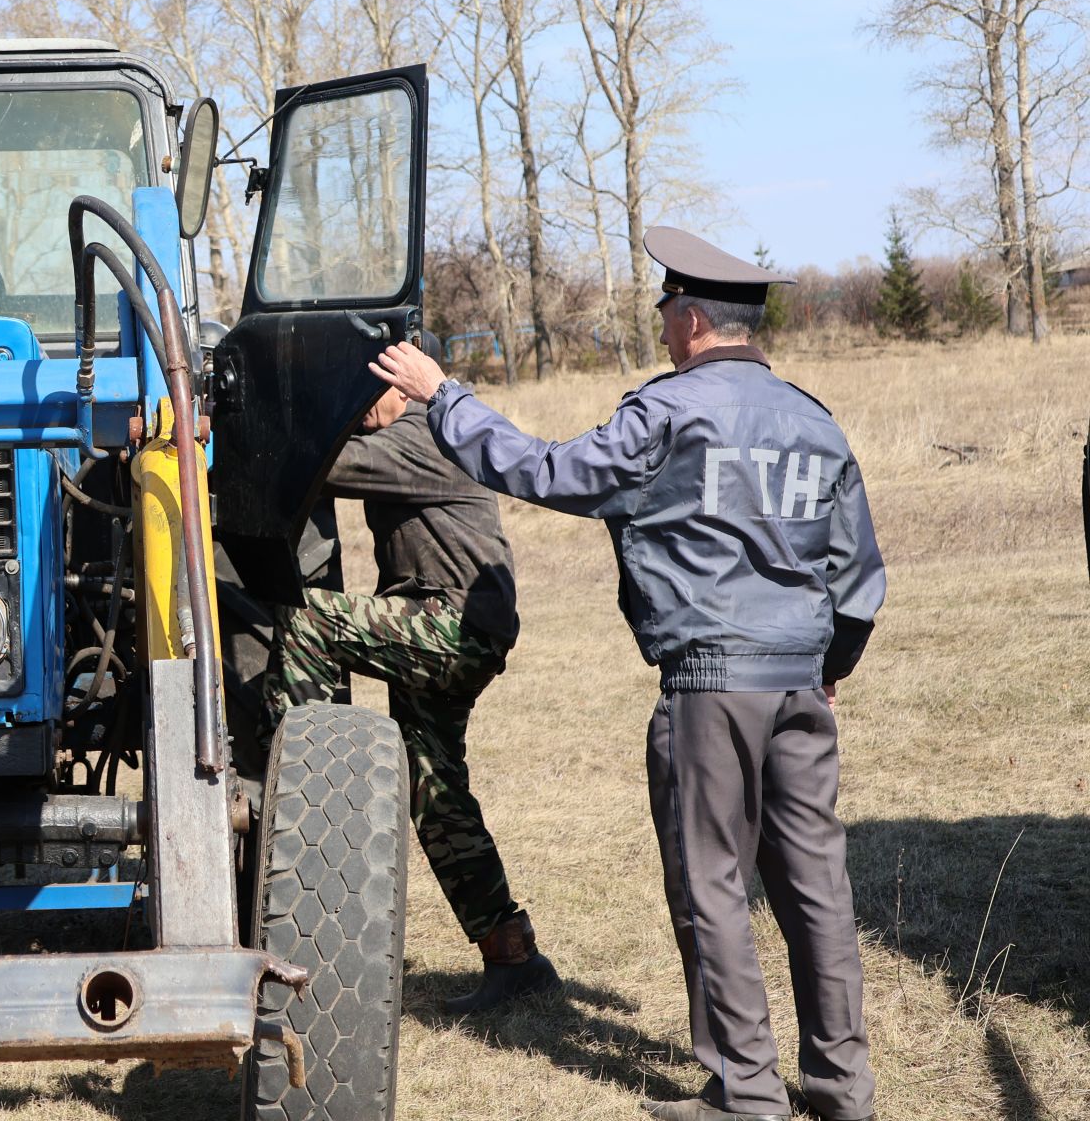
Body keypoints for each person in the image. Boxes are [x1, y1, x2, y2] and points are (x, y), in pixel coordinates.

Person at [368, 228, 884, 1121]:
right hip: (802, 684)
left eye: (665, 315)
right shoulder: (816, 418)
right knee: (818, 892)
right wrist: (826, 664)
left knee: (713, 889)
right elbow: (859, 574)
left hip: (710, 685)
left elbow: (546, 471)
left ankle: (745, 1098)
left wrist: (445, 397)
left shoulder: (668, 412)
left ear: (688, 319)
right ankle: (843, 1093)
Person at [257, 332, 559, 1015]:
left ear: (410, 381)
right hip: (441, 623)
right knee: (436, 794)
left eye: (372, 396)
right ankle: (514, 958)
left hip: (455, 628)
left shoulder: (429, 432)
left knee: (307, 619)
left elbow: (319, 465)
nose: (360, 412)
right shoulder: (418, 425)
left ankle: (294, 784)